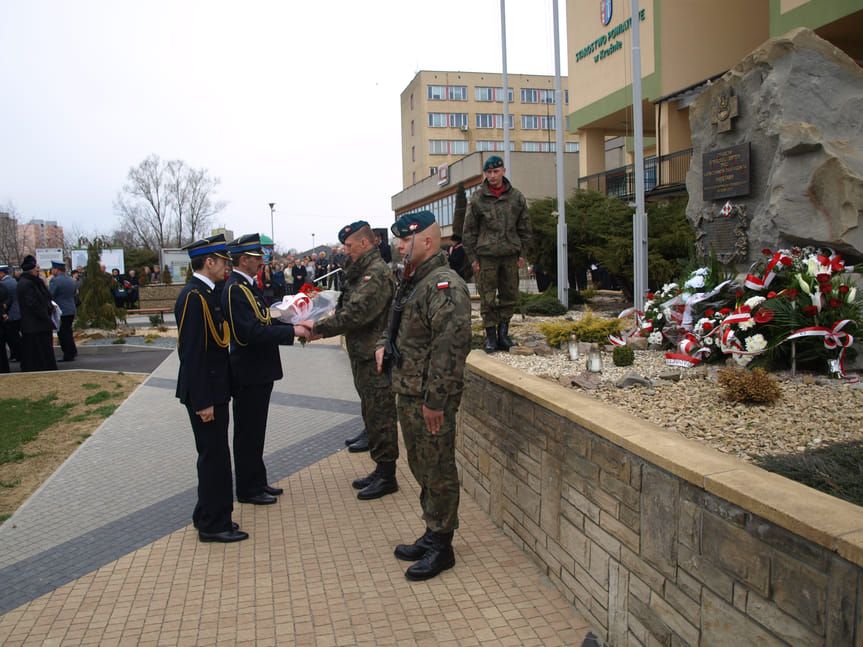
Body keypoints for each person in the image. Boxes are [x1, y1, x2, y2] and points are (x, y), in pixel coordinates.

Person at [375, 211, 471, 581]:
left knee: (438, 468)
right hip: (410, 390)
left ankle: (442, 546)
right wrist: (385, 344)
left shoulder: (444, 285)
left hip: (430, 398)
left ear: (427, 241)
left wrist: (436, 401)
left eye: (405, 239)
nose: (398, 245)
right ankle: (433, 531)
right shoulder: (415, 279)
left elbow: (451, 348)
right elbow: (395, 322)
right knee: (420, 465)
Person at [299, 221, 399, 499]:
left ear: (364, 243)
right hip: (362, 353)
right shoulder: (362, 271)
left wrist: (318, 328)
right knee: (371, 413)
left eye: (349, 245)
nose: (346, 250)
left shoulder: (376, 274)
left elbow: (356, 313)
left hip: (374, 356)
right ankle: (381, 469)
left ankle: (388, 475)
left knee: (381, 416)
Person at [222, 234, 310, 505]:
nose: (262, 262)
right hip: (249, 371)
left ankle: (257, 481)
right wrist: (292, 332)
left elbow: (264, 321)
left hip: (257, 370)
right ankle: (249, 489)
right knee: (248, 433)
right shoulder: (236, 289)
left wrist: (292, 326)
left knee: (255, 431)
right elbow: (249, 333)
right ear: (244, 260)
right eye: (258, 258)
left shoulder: (246, 286)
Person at [175, 234, 247, 543]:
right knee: (214, 459)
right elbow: (192, 354)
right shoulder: (194, 297)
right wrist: (203, 400)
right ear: (209, 262)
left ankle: (207, 512)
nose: (226, 268)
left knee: (216, 456)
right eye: (223, 262)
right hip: (206, 394)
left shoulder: (206, 293)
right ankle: (214, 525)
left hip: (215, 389)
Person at [462, 155, 532, 353]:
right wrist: (473, 259)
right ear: (485, 174)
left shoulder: (517, 197)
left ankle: (504, 334)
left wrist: (522, 254)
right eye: (489, 172)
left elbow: (525, 227)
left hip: (510, 254)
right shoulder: (477, 198)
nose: (492, 176)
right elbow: (469, 232)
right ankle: (490, 336)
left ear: (503, 171)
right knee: (488, 297)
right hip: (486, 257)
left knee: (510, 295)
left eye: (496, 172)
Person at [17, 255, 58, 372]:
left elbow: (43, 299)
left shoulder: (33, 282)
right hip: (35, 325)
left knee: (42, 351)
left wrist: (50, 306)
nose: (38, 271)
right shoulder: (27, 283)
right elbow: (32, 304)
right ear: (31, 270)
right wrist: (45, 314)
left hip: (38, 324)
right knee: (37, 353)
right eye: (37, 269)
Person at [48, 261, 78, 362]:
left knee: (63, 333)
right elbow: (74, 293)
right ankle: (72, 351)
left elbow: (51, 295)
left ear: (56, 269)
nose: (52, 271)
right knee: (68, 331)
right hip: (71, 309)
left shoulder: (55, 281)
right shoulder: (71, 280)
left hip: (61, 310)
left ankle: (68, 354)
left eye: (53, 269)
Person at [0, 264, 22, 363]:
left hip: (10, 313)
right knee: (15, 336)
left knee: (12, 337)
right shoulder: (14, 281)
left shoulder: (4, 284)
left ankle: (17, 354)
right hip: (18, 312)